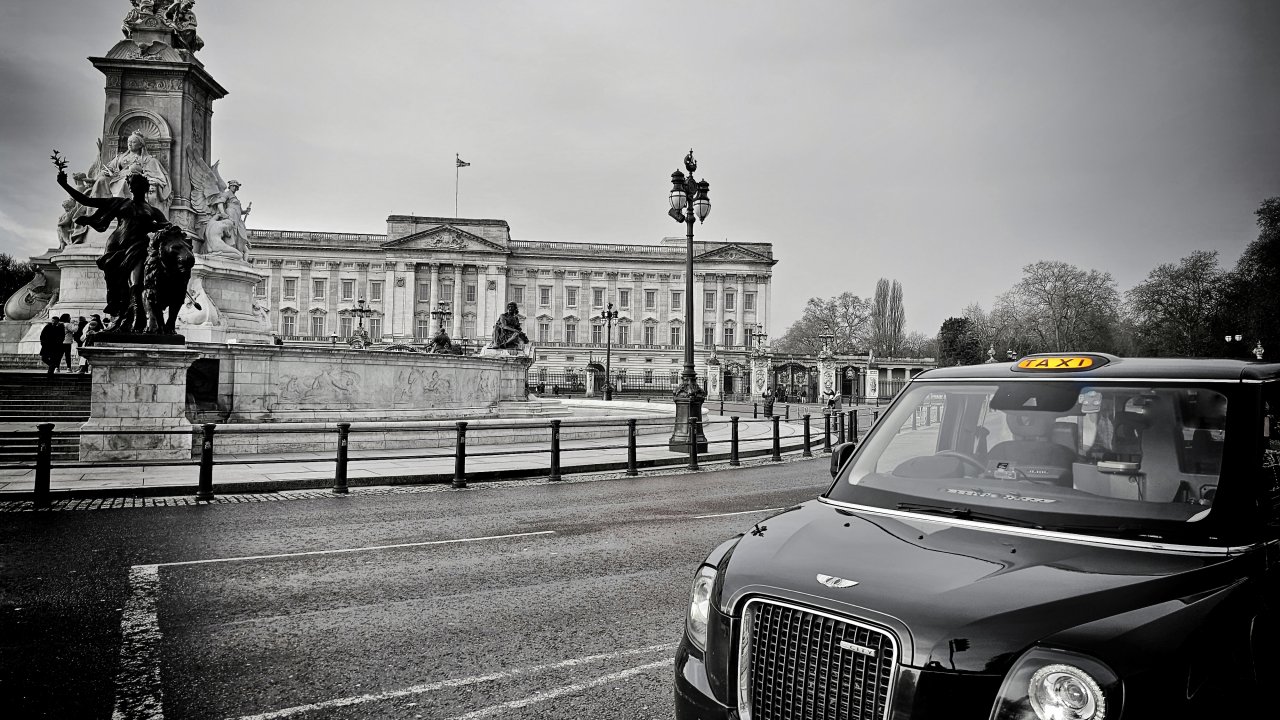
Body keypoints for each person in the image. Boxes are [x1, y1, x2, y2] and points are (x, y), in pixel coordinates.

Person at [58, 169, 168, 321]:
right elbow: (87, 201)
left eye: (135, 184)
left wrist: (158, 229)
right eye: (131, 185)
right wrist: (65, 185)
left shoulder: (152, 210)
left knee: (136, 283)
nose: (132, 187)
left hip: (138, 245)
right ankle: (121, 311)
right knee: (115, 281)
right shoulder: (120, 202)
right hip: (116, 246)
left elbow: (167, 226)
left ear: (144, 187)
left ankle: (137, 314)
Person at [88, 131, 171, 212]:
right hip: (115, 178)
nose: (130, 144)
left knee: (126, 182)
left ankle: (121, 208)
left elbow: (154, 174)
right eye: (129, 142)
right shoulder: (121, 157)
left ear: (140, 145)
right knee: (101, 180)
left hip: (130, 180)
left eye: (133, 142)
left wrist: (139, 172)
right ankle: (97, 208)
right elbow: (110, 167)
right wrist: (107, 172)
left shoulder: (148, 159)